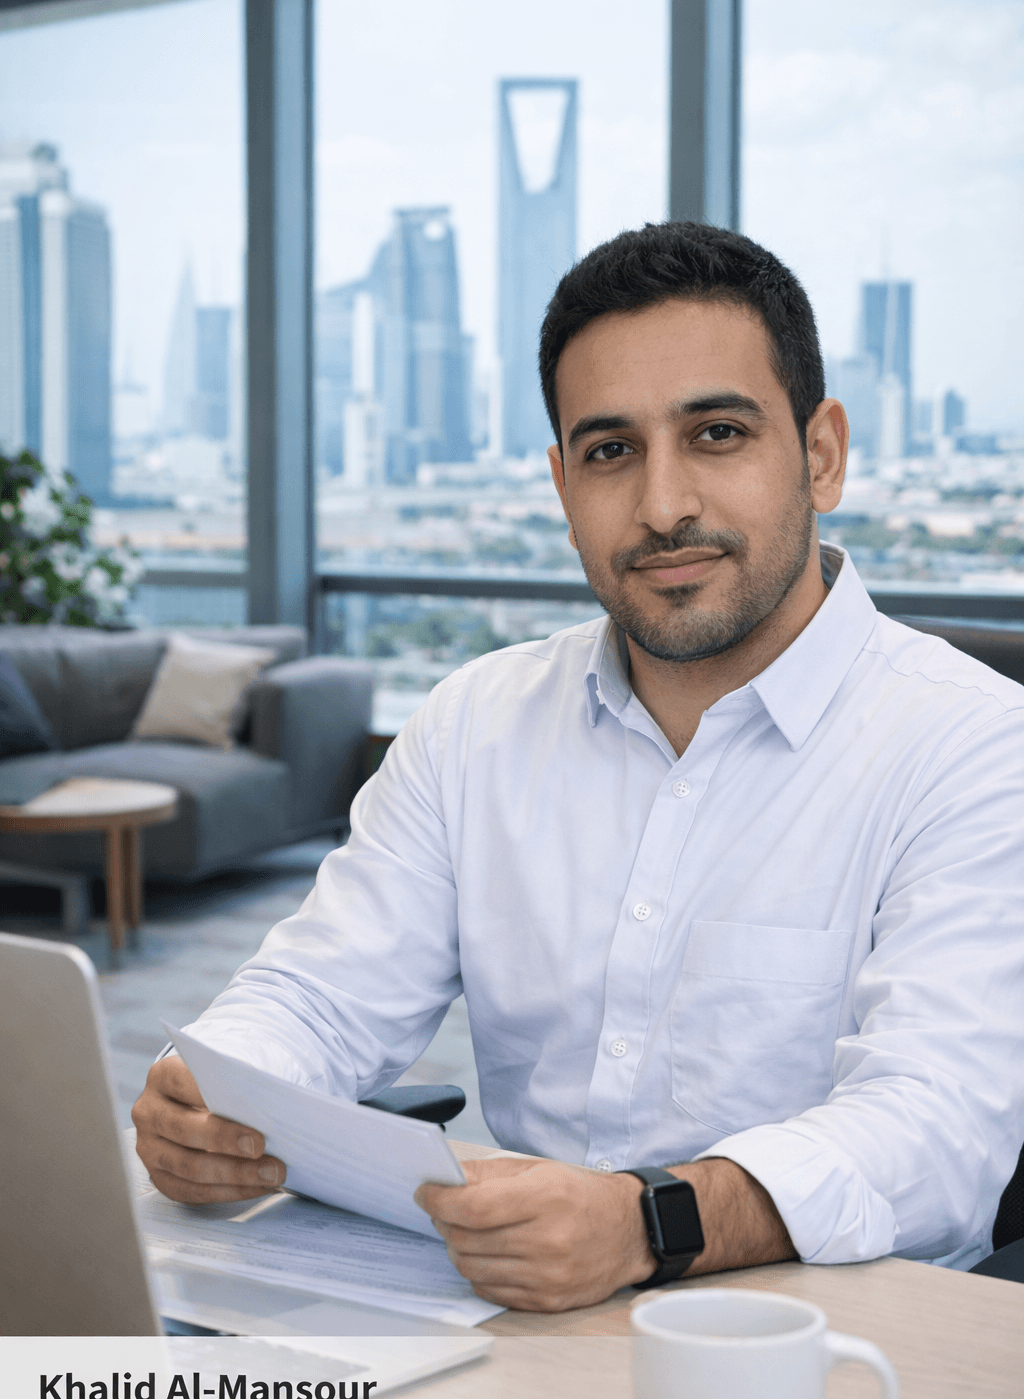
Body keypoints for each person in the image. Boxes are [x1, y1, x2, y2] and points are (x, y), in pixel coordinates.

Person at [133, 221, 1024, 1312]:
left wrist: (648, 1222)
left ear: (821, 452)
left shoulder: (972, 745)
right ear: (562, 487)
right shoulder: (475, 722)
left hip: (843, 1342)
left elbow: (936, 1127)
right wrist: (216, 1088)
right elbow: (321, 997)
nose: (661, 506)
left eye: (717, 434)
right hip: (520, 1313)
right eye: (610, 452)